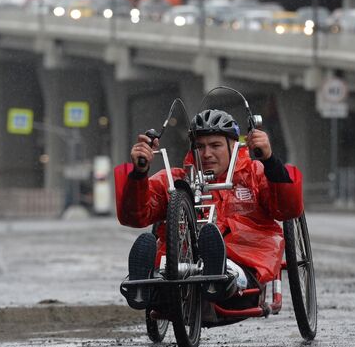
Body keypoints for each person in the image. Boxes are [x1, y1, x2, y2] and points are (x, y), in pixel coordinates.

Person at [114, 109, 303, 310]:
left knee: (226, 270)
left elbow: (286, 209)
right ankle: (144, 284)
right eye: (200, 146)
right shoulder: (176, 180)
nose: (207, 154)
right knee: (166, 269)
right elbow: (135, 216)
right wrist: (139, 173)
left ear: (234, 146)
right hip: (182, 268)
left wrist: (270, 161)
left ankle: (217, 275)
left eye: (215, 145)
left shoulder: (256, 174)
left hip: (244, 265)